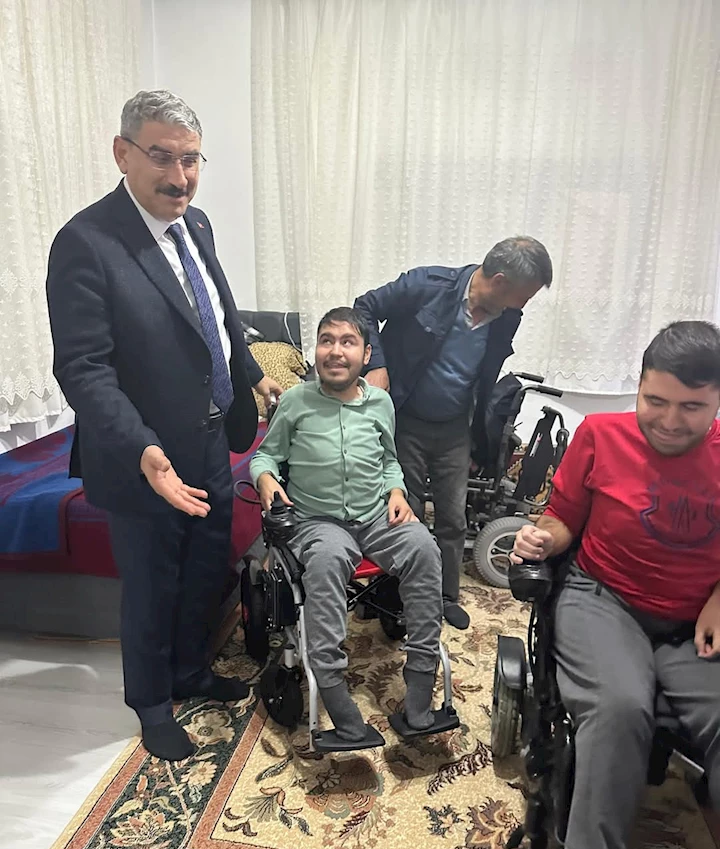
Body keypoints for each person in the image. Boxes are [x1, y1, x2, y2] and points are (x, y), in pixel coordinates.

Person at [46, 90, 283, 762]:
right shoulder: (86, 243)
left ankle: (191, 671)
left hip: (211, 439)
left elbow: (217, 317)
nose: (180, 177)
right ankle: (151, 705)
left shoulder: (195, 224)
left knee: (206, 566)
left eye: (191, 159)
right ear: (122, 154)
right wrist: (144, 448)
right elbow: (84, 370)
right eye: (161, 157)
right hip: (144, 457)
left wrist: (251, 374)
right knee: (152, 586)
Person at [511, 320, 720, 849]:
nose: (670, 420)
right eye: (655, 401)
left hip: (694, 622)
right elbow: (562, 518)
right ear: (640, 385)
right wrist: (542, 540)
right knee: (620, 708)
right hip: (604, 598)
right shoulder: (601, 436)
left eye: (692, 407)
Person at [249, 308, 449, 747]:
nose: (336, 351)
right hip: (317, 520)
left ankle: (420, 690)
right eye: (327, 340)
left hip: (376, 515)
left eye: (347, 342)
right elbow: (266, 455)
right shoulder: (296, 401)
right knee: (327, 558)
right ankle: (337, 700)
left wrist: (397, 491)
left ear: (366, 354)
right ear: (316, 349)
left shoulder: (380, 403)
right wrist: (264, 479)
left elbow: (390, 460)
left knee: (424, 547)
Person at [354, 237, 552, 630]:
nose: (523, 306)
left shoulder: (505, 316)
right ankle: (398, 597)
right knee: (404, 513)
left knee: (453, 518)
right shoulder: (427, 285)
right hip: (406, 419)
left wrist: (481, 438)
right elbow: (364, 307)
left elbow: (484, 376)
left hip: (455, 426)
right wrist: (375, 363)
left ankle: (446, 596)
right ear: (499, 281)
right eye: (523, 296)